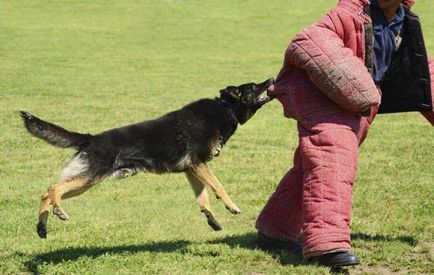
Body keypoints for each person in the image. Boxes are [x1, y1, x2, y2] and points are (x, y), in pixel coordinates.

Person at [255, 0, 433, 267]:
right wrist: (353, 82)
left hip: (356, 102)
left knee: (310, 166)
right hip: (322, 94)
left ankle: (274, 228)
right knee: (334, 159)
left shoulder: (402, 19)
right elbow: (308, 39)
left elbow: (414, 66)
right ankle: (327, 244)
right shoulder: (349, 12)